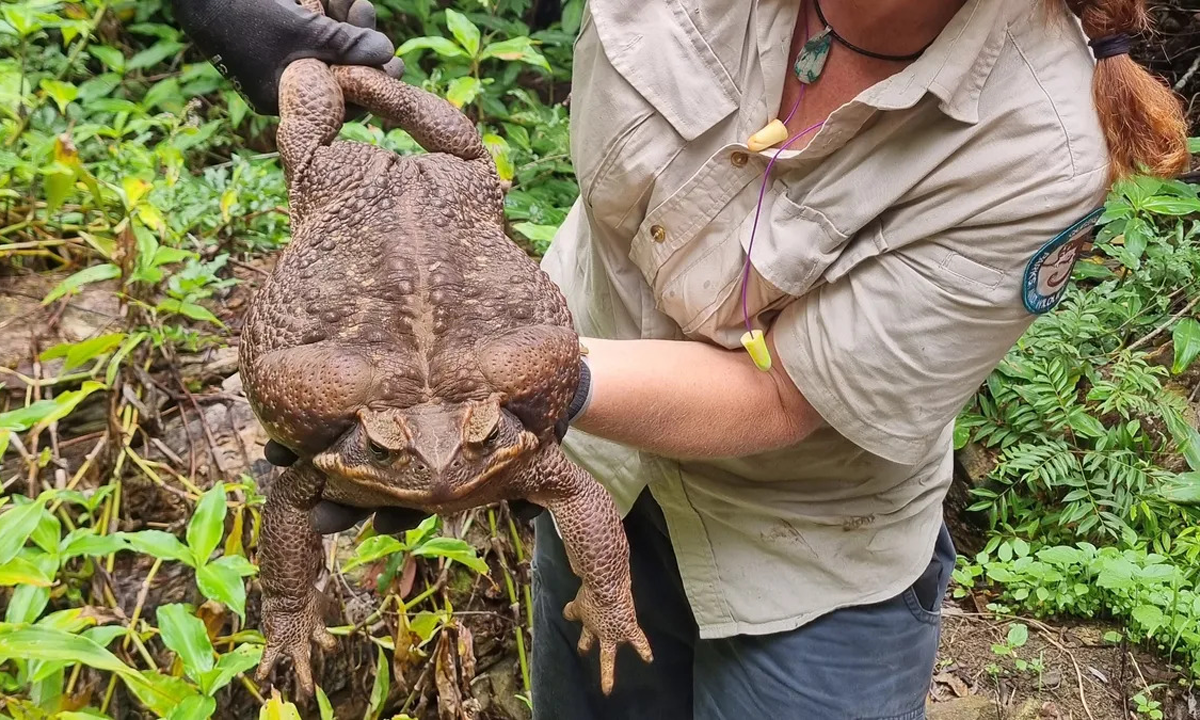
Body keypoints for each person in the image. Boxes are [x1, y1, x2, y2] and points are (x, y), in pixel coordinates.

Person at [171, 0, 1189, 717]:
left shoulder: (1041, 143)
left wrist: (520, 397)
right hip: (583, 460)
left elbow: (789, 396)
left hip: (800, 542)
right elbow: (300, 497)